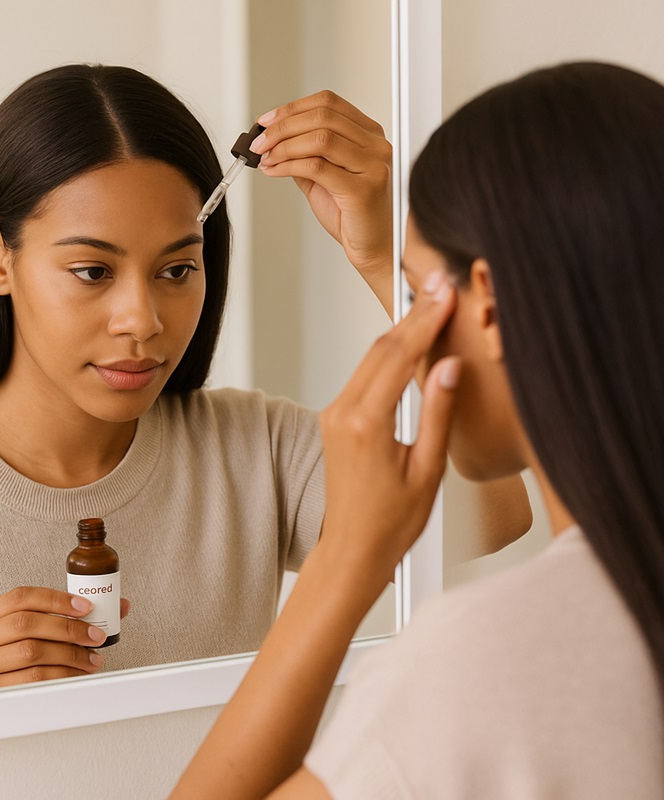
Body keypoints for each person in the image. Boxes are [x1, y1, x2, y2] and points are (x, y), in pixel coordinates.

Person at [0, 65, 530, 705]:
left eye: (177, 269)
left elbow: (489, 512)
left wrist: (386, 255)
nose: (144, 321)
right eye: (93, 271)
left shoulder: (256, 452)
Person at [171, 61, 664, 798]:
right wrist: (382, 257)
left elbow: (490, 514)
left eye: (415, 290)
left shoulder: (487, 663)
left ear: (489, 303)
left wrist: (345, 560)